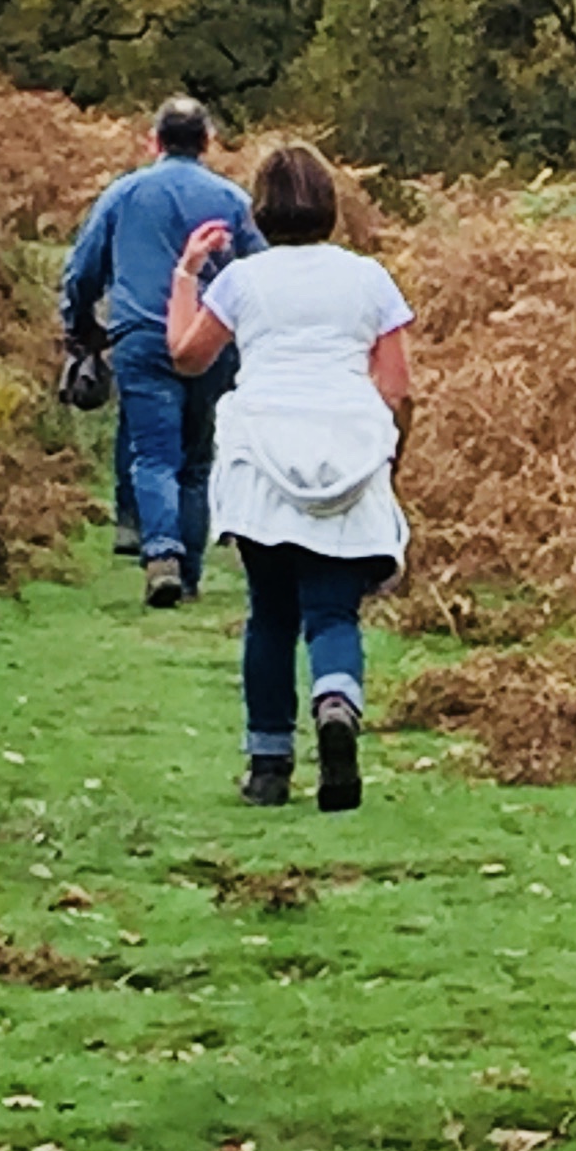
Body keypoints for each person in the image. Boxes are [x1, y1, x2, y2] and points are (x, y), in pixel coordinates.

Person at [167, 143, 413, 813]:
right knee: (332, 612)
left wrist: (187, 274)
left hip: (263, 458)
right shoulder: (370, 280)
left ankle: (269, 765)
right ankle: (336, 703)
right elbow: (395, 387)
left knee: (270, 615)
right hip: (348, 453)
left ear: (259, 211)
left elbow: (188, 358)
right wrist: (391, 463)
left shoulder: (242, 281)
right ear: (332, 207)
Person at [61, 98, 264, 608]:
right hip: (210, 339)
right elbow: (263, 271)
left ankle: (161, 554)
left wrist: (80, 325)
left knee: (152, 453)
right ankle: (189, 574)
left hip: (141, 338)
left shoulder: (123, 194)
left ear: (154, 142)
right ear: (208, 142)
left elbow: (83, 268)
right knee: (197, 458)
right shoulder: (232, 200)